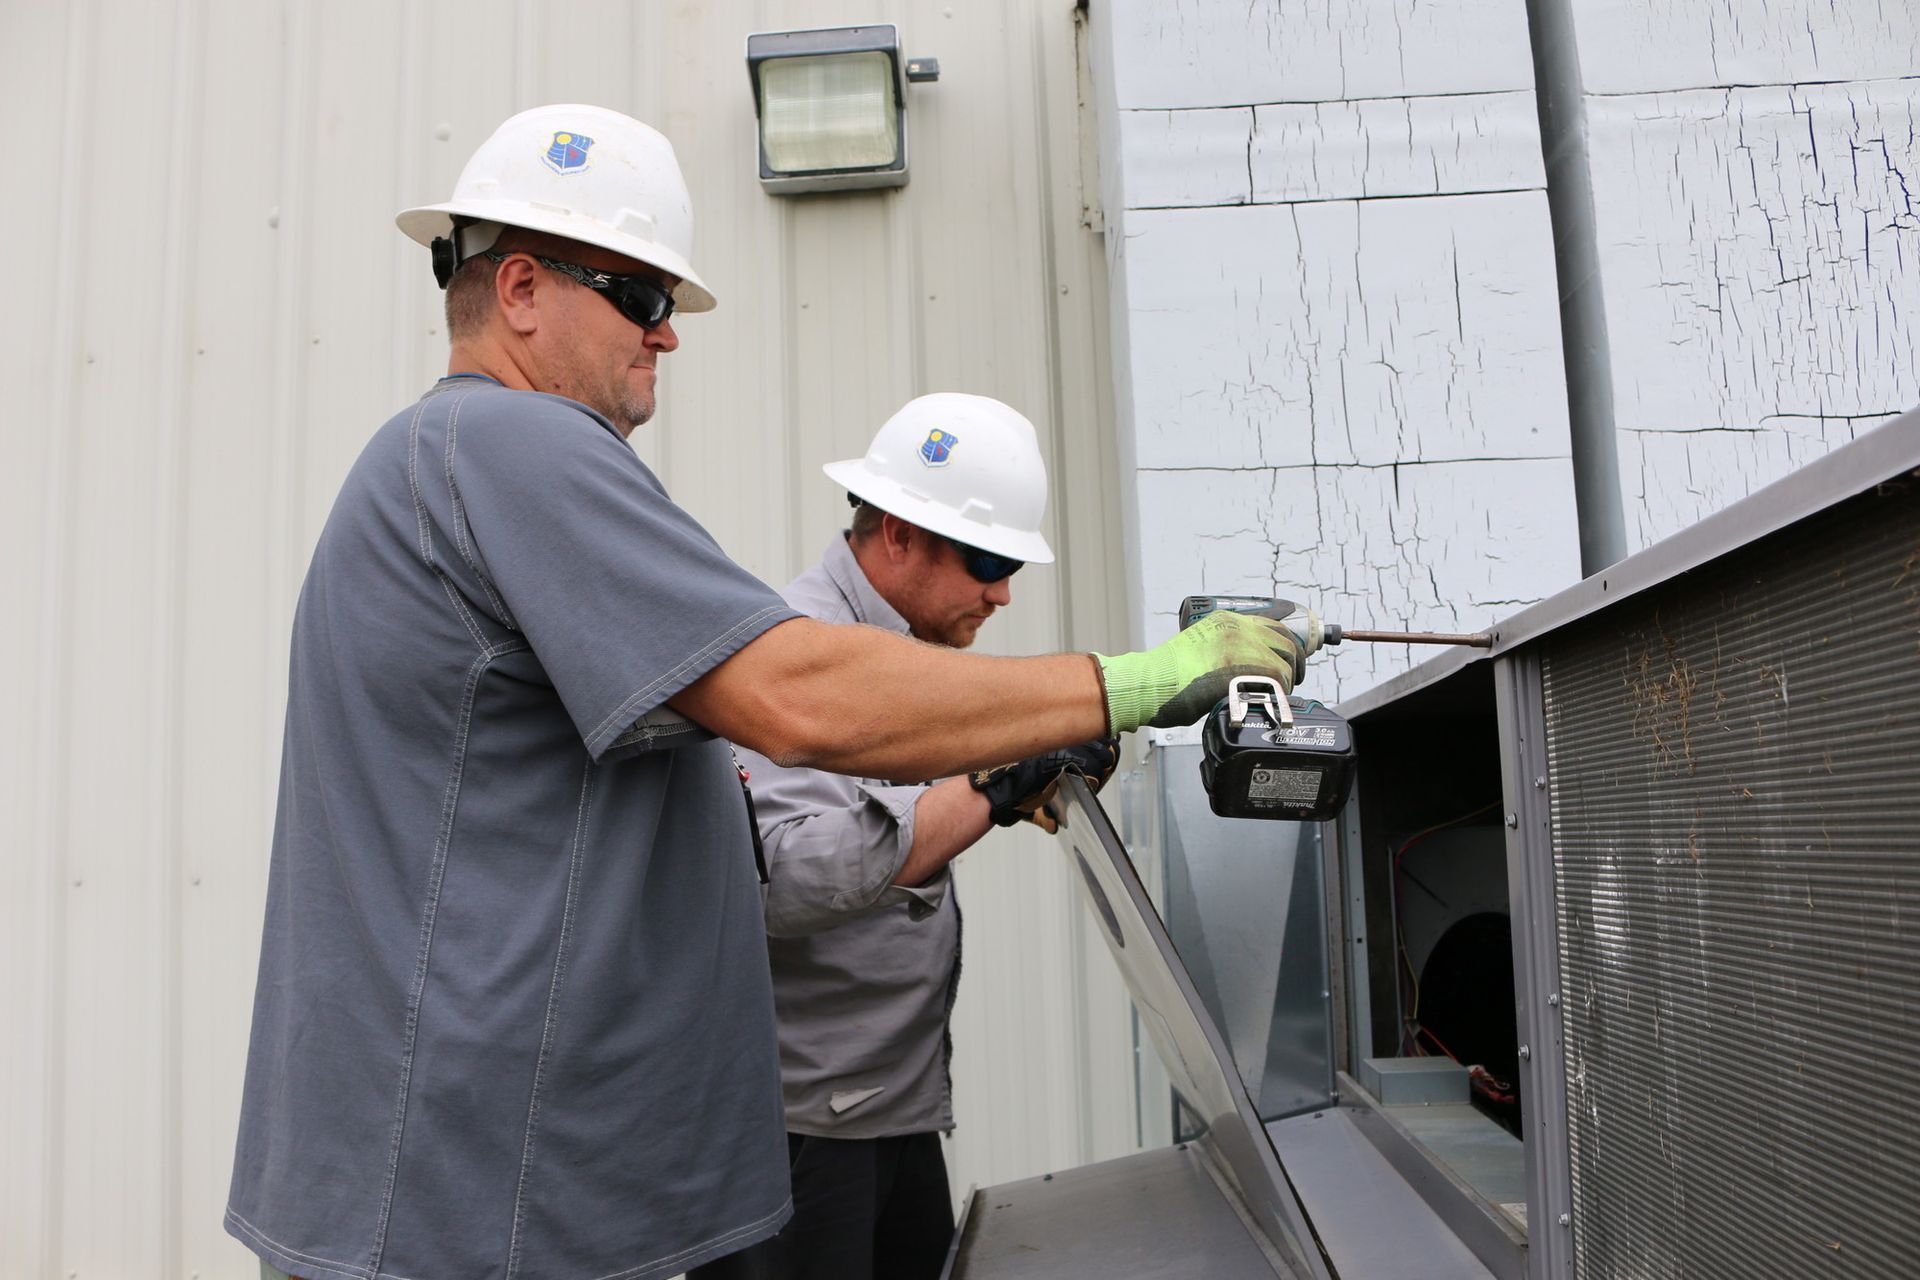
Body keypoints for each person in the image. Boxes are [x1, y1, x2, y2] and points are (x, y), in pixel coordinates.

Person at [224, 103, 1304, 1280]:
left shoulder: (434, 465)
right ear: (522, 290)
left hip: (458, 1186)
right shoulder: (512, 445)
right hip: (477, 1201)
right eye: (641, 297)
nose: (667, 336)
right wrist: (1134, 681)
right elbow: (800, 695)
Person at [702, 395, 1118, 1280]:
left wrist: (1009, 781)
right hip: (802, 1139)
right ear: (896, 534)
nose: (1002, 592)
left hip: (888, 1111)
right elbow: (789, 878)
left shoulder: (899, 657)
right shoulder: (798, 656)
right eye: (988, 560)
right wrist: (996, 782)